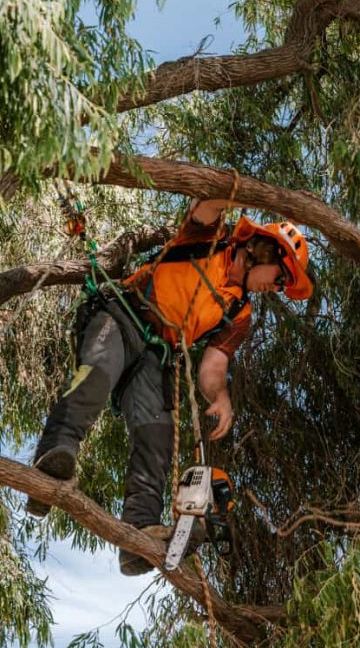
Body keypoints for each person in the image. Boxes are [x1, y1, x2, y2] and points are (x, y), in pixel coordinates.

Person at [26, 199, 313, 575]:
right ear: (264, 250)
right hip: (123, 315)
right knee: (97, 374)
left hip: (157, 355)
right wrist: (232, 191)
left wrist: (220, 396)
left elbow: (214, 365)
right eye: (280, 277)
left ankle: (139, 534)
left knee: (157, 436)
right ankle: (53, 460)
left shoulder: (240, 312)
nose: (276, 288)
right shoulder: (208, 240)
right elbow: (206, 205)